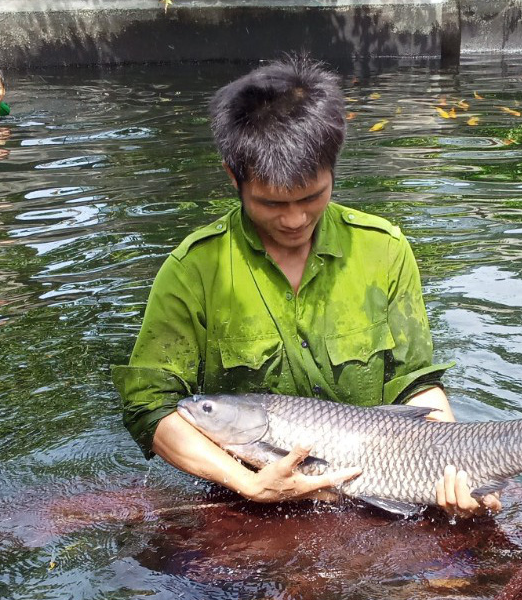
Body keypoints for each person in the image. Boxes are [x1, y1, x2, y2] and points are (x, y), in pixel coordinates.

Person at [113, 57, 501, 518]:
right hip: (243, 497)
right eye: (272, 203)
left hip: (380, 490)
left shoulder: (383, 250)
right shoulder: (194, 268)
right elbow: (150, 408)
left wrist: (453, 470)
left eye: (312, 197)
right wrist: (248, 482)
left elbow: (415, 382)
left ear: (333, 170)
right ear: (233, 177)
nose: (295, 219)